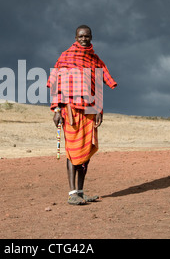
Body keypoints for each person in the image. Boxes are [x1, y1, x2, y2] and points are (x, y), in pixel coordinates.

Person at [47, 25, 117, 205]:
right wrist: (56, 109)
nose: (83, 39)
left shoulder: (95, 59)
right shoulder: (65, 57)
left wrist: (99, 110)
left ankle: (80, 191)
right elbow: (55, 84)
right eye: (80, 36)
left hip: (89, 112)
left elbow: (98, 86)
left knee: (85, 153)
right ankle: (72, 194)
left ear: (91, 37)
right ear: (75, 37)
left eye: (86, 36)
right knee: (72, 153)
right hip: (70, 111)